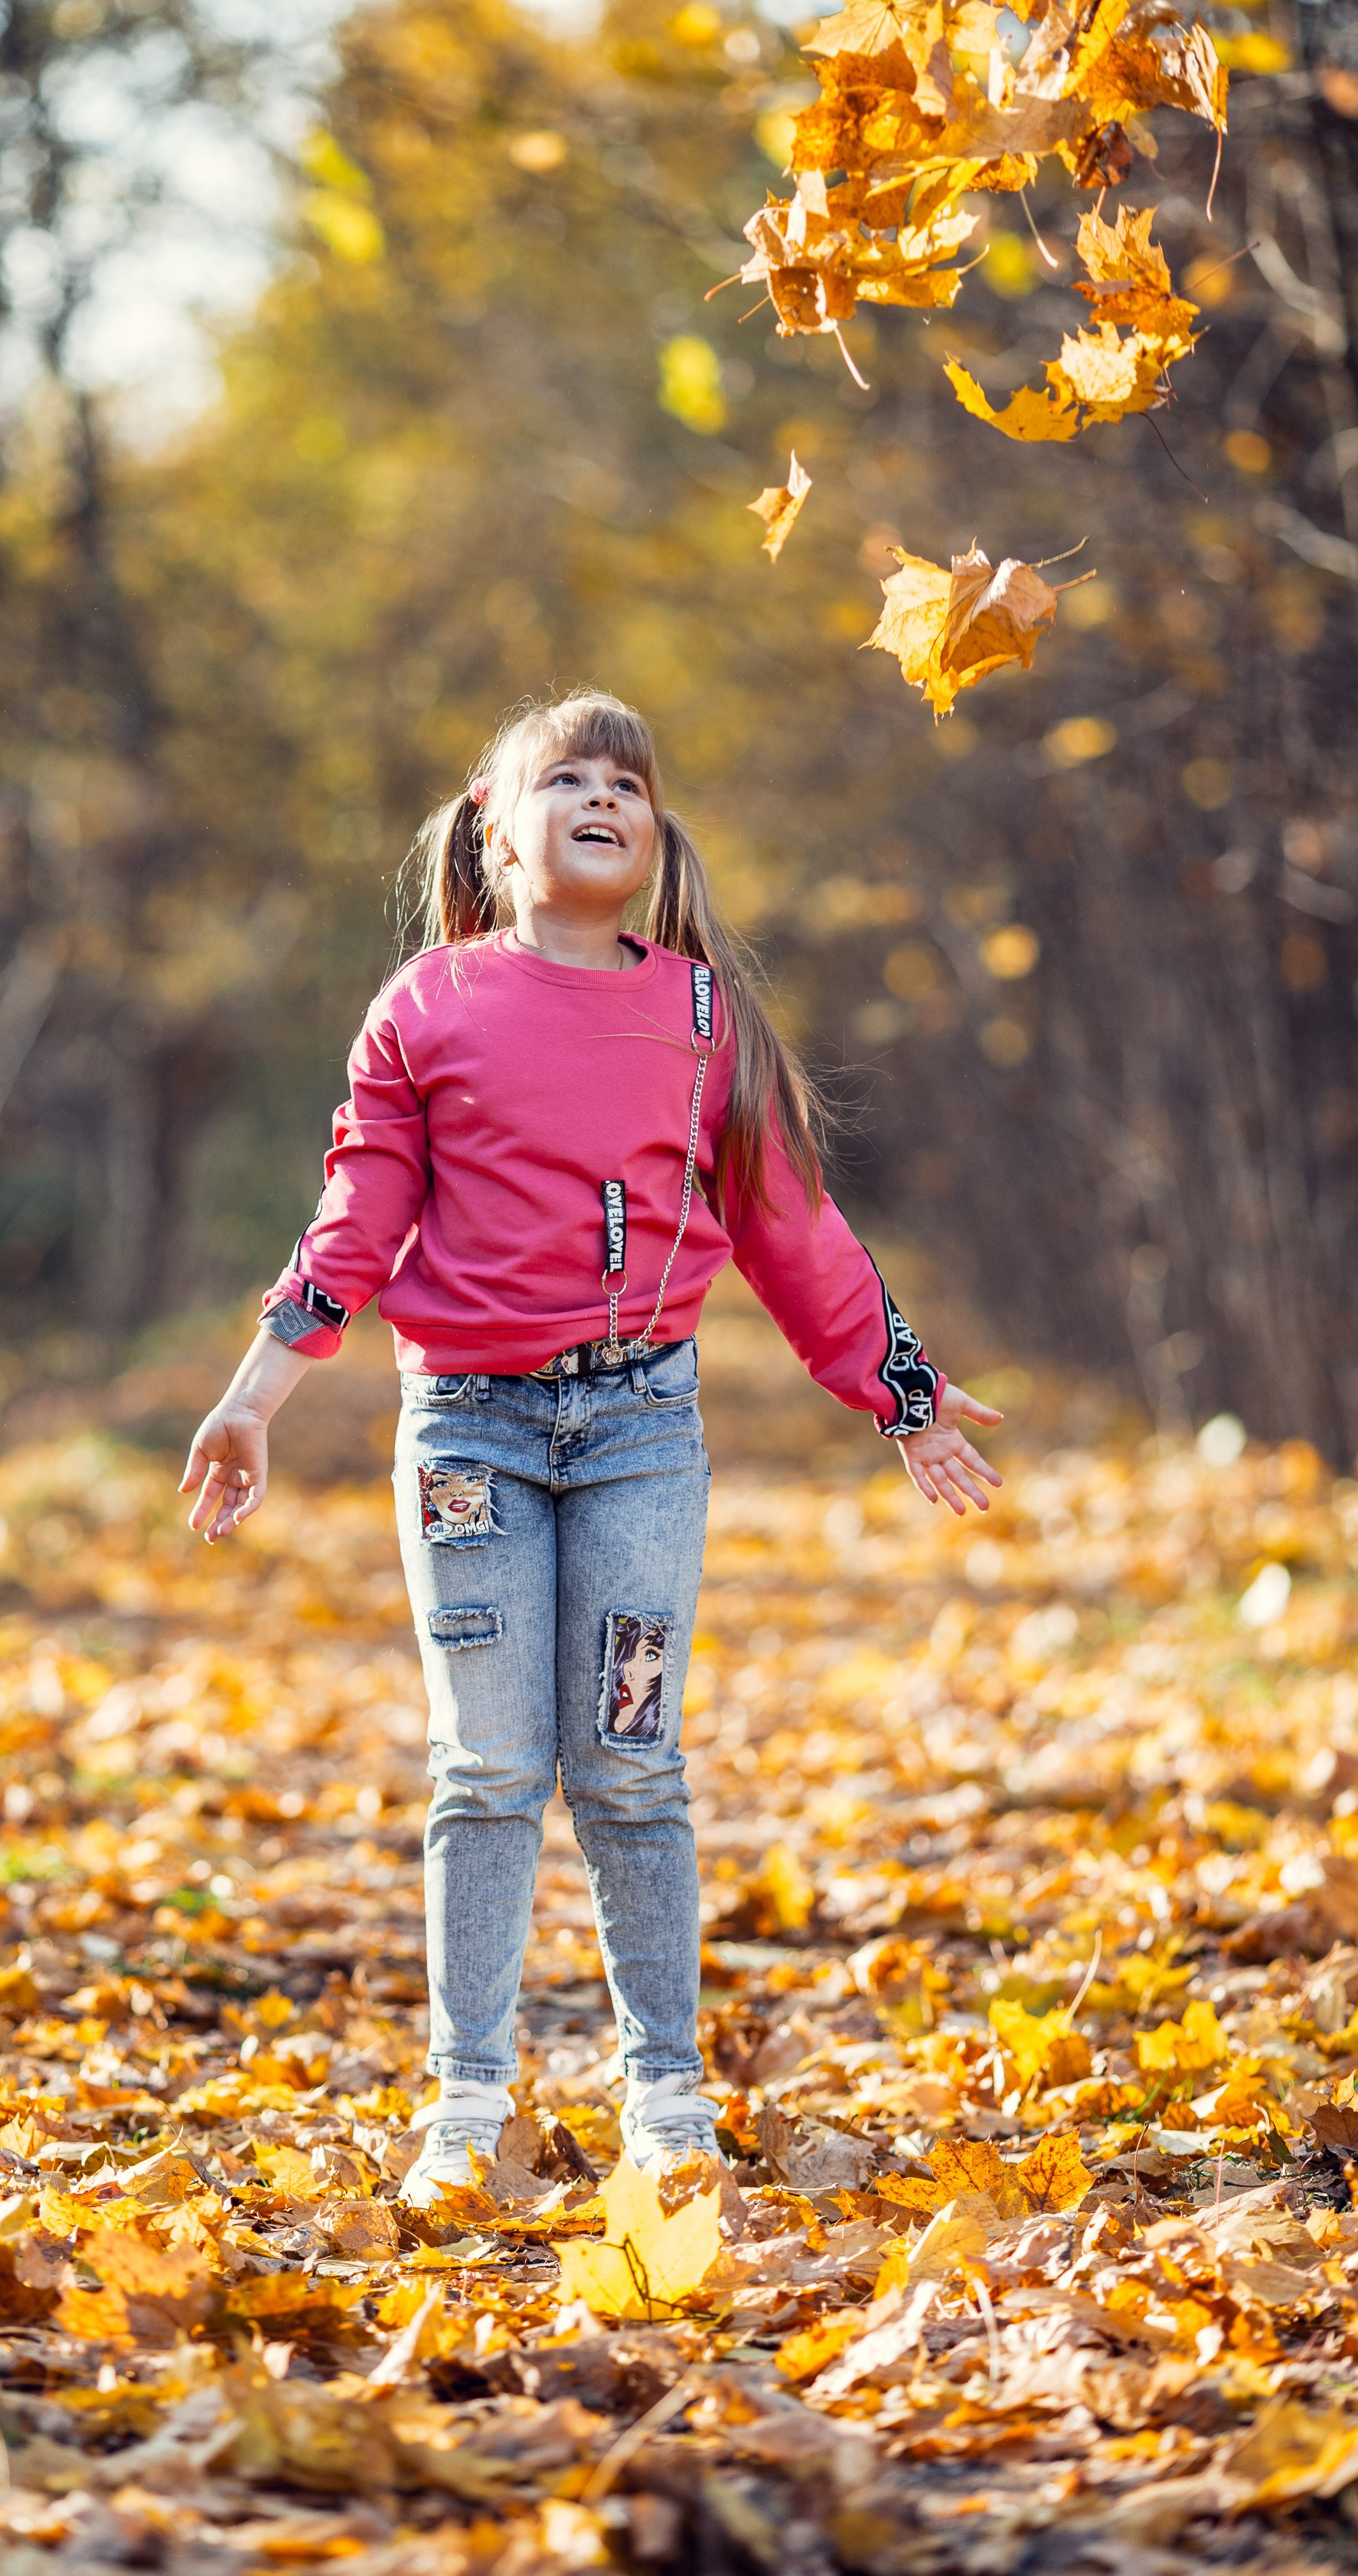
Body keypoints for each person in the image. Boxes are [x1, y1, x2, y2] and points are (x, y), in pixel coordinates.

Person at [180, 691, 1001, 2203]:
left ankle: (667, 2096)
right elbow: (356, 1222)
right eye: (565, 776)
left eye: (628, 778)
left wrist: (905, 1389)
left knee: (629, 1764)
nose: (603, 795)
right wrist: (255, 1393)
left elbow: (792, 1227)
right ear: (495, 829)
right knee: (487, 1767)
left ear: (655, 831)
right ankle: (466, 2103)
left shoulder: (701, 1017)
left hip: (638, 1434)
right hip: (470, 1441)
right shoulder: (424, 1008)